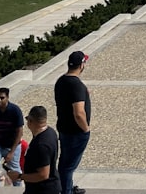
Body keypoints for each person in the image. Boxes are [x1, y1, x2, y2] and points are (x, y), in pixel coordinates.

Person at [55, 51, 91, 194]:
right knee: (68, 166)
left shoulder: (61, 81)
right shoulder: (76, 85)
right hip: (75, 132)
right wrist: (86, 129)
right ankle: (66, 191)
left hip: (64, 129)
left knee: (65, 163)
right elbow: (78, 112)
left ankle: (68, 187)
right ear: (81, 65)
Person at [7, 105, 60, 194]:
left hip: (43, 190)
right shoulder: (51, 132)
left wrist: (19, 176)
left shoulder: (41, 145)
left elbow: (43, 174)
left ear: (31, 121)